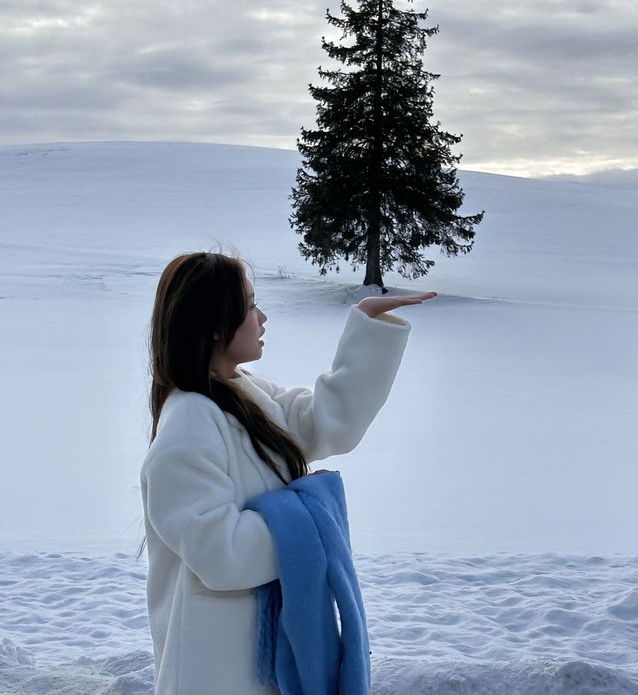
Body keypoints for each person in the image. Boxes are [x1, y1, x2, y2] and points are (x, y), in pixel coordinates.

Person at [139, 250, 437, 694]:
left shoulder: (245, 394)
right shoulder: (188, 424)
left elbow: (327, 421)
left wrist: (368, 329)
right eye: (251, 305)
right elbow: (223, 556)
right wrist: (309, 515)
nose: (263, 317)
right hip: (216, 672)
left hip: (264, 660)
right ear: (216, 324)